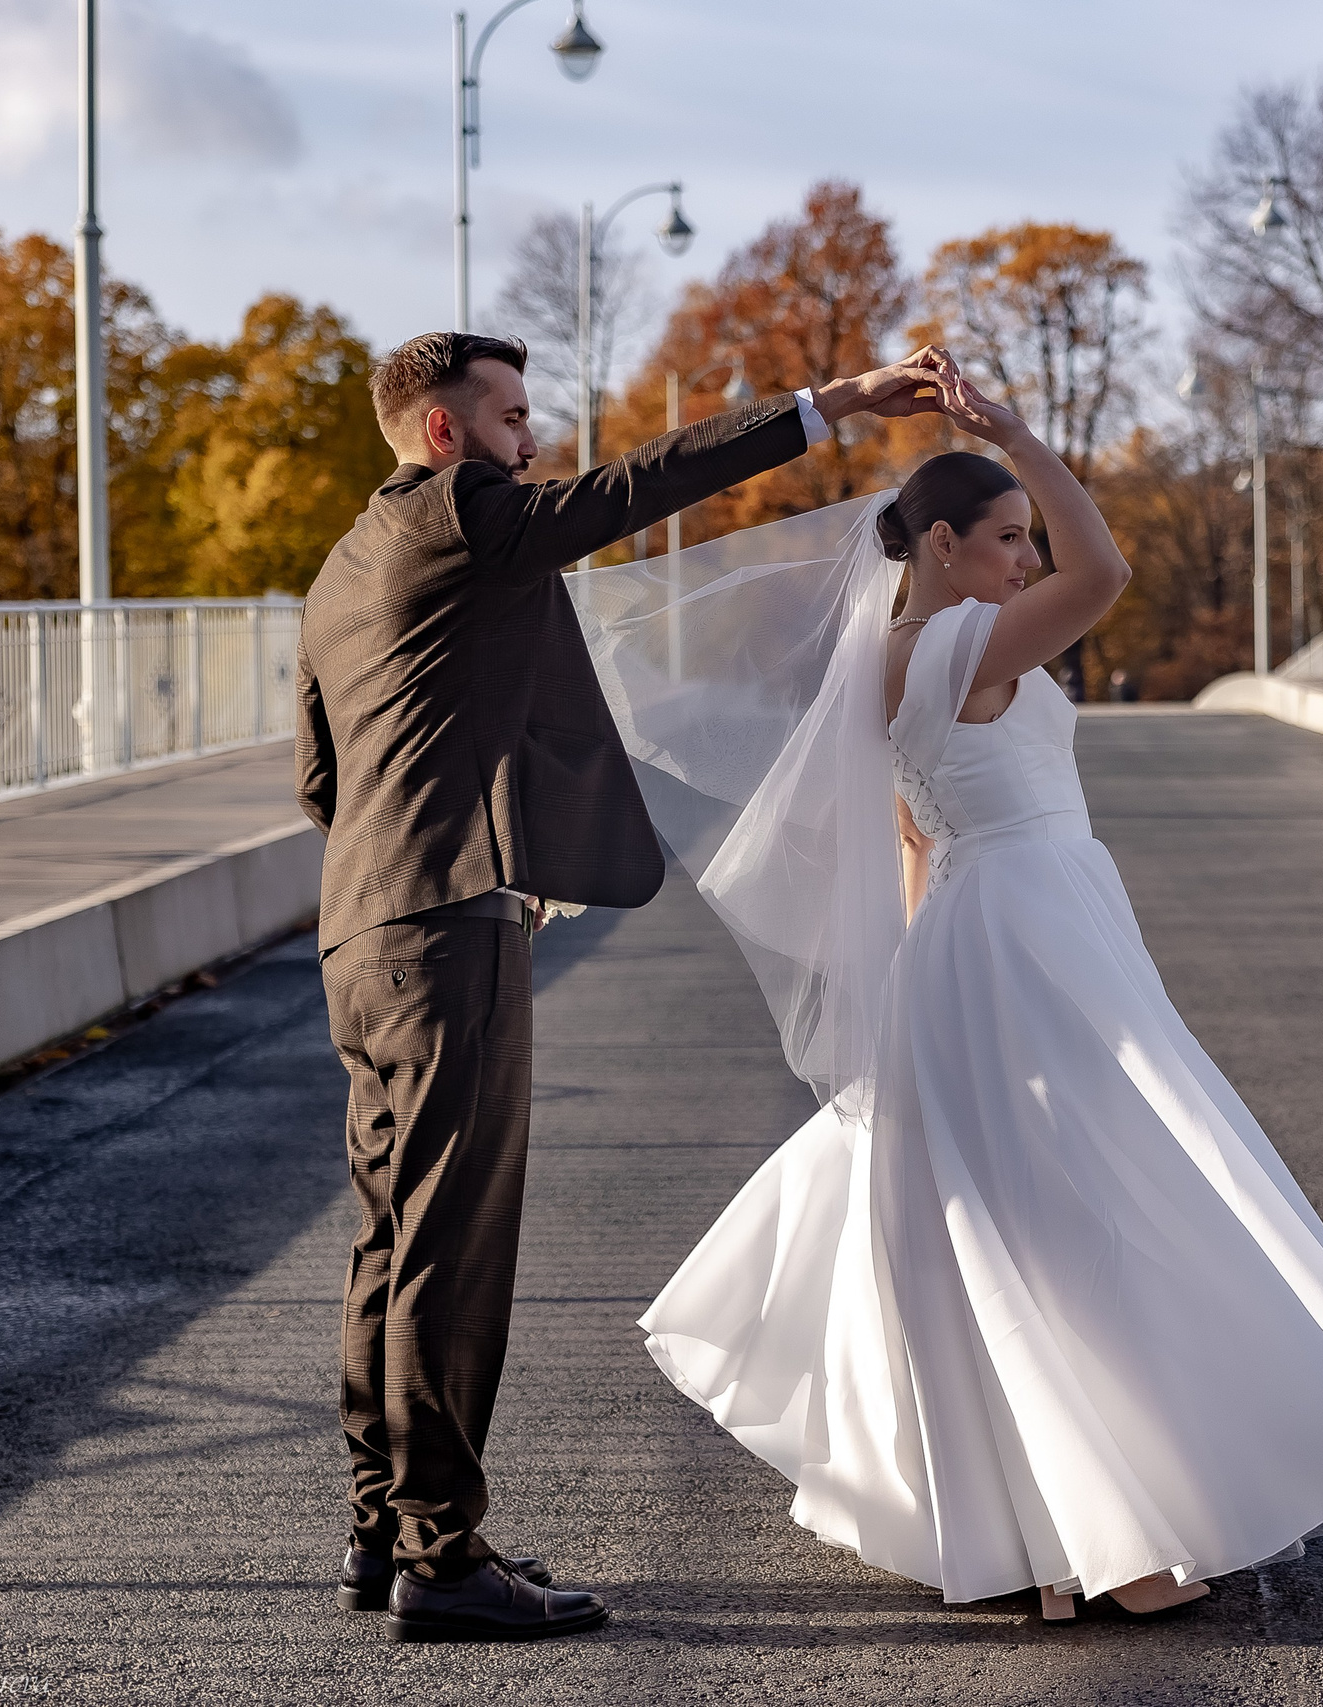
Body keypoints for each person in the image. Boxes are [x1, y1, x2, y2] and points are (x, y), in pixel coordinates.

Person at [605, 373, 1323, 1624]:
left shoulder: (886, 662)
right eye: (1008, 537)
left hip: (984, 935)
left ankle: (1058, 1535)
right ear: (941, 545)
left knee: (1022, 1216)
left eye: (1027, 537)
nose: (1029, 560)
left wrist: (915, 986)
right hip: (1027, 930)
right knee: (1078, 1210)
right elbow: (1105, 575)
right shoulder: (957, 644)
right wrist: (1016, 437)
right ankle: (1103, 1540)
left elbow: (912, 842)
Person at [294, 329, 952, 1643]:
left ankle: (386, 1528)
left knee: (391, 1238)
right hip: (446, 930)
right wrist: (830, 404)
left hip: (358, 930)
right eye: (511, 418)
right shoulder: (464, 512)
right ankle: (443, 1556)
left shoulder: (341, 566)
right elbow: (637, 485)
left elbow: (321, 778)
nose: (531, 440)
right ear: (444, 432)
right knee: (452, 1247)